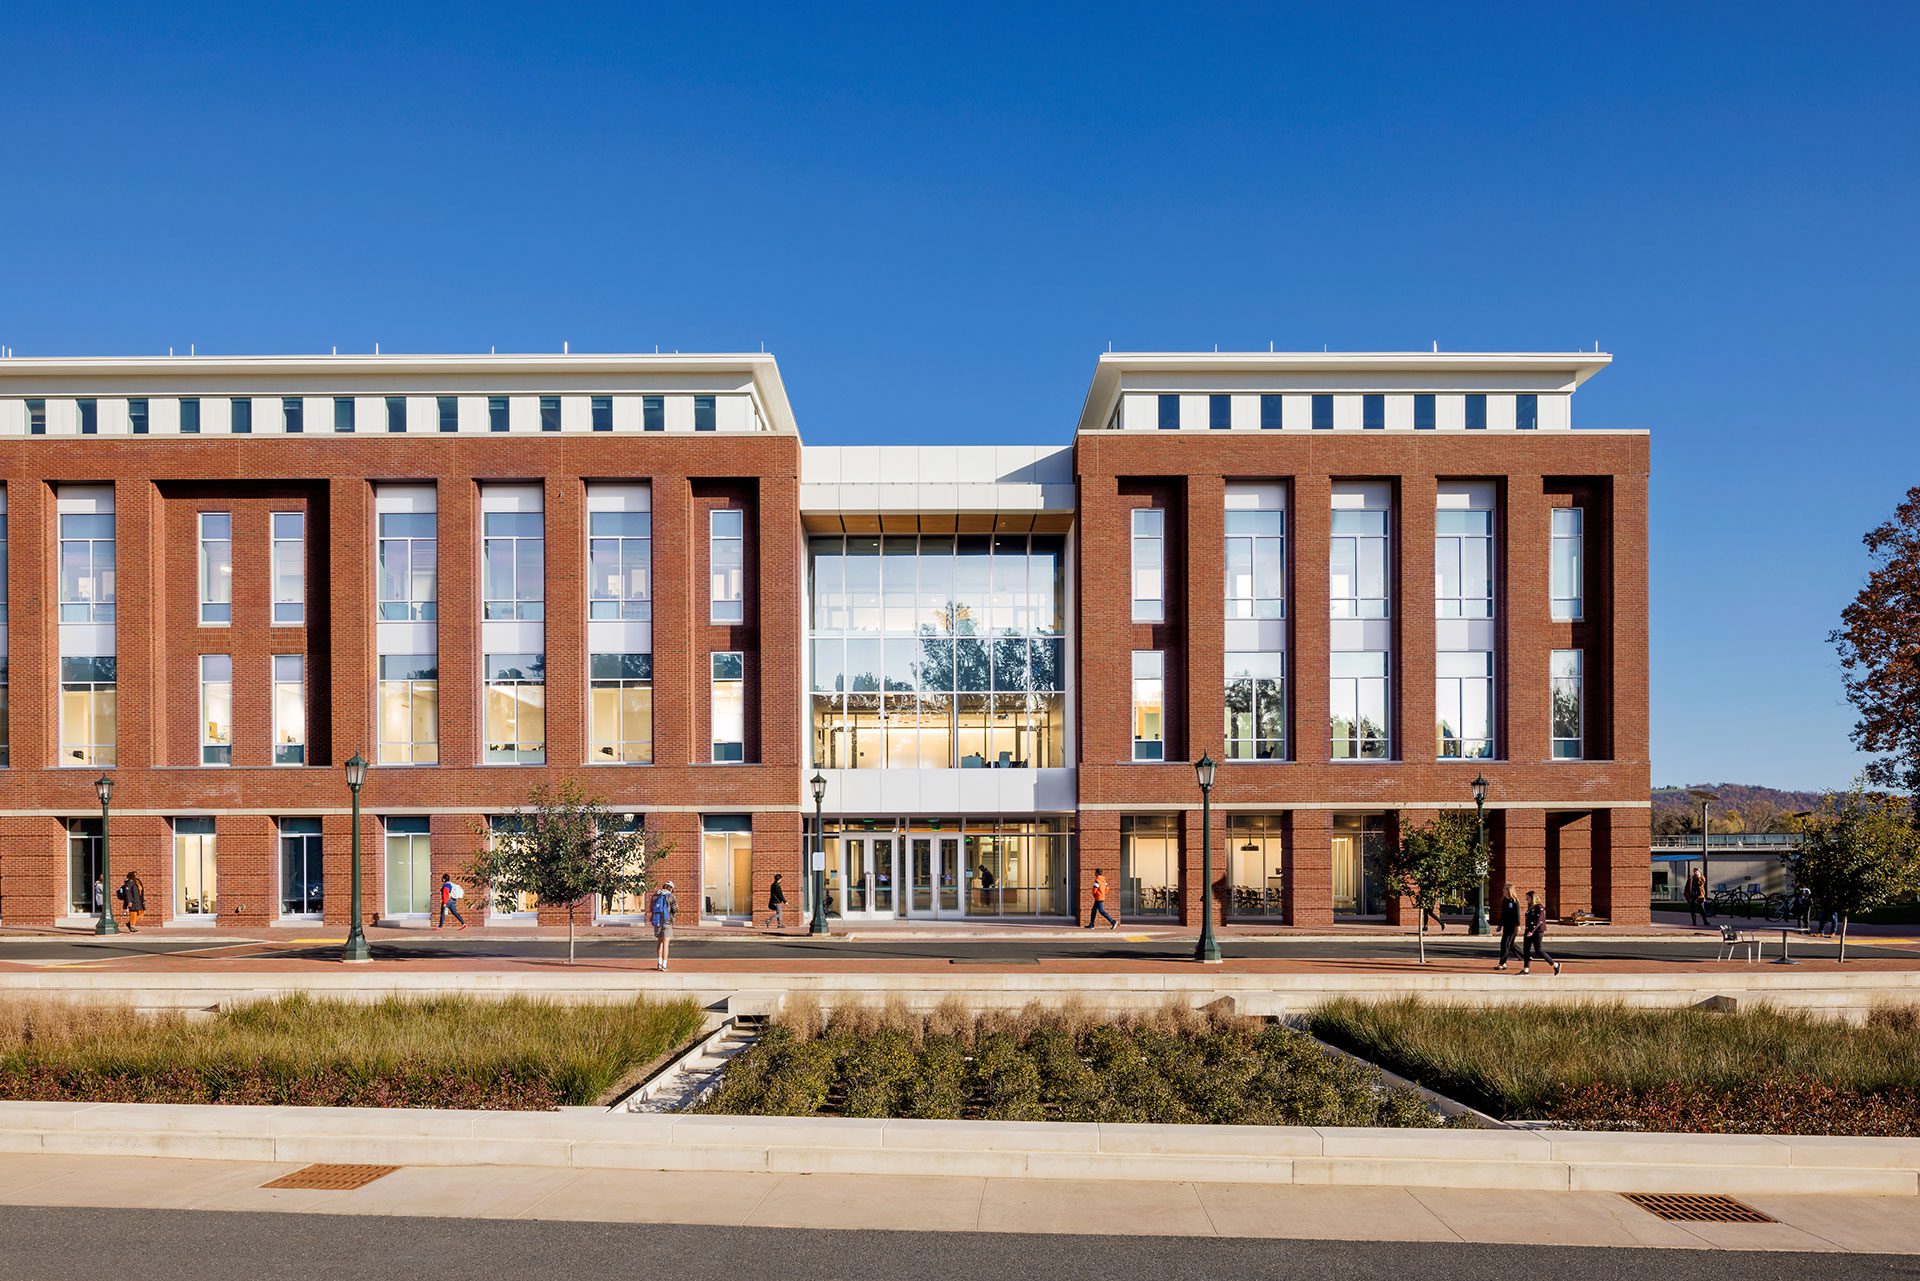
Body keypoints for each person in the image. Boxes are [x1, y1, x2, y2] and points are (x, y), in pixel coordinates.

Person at [1521, 890, 1561, 976]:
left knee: (1538, 951)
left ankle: (1555, 964)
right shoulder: (1530, 907)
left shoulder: (1540, 907)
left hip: (1537, 931)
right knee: (1526, 950)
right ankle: (1526, 969)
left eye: (1528, 898)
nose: (1526, 900)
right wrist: (1528, 930)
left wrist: (1532, 931)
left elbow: (1539, 921)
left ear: (1533, 898)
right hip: (1528, 930)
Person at [1494, 883, 1522, 970]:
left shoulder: (1514, 901)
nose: (1503, 891)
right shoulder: (1504, 900)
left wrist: (1518, 925)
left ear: (1509, 891)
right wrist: (1500, 925)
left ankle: (1502, 963)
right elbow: (1503, 914)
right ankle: (1524, 956)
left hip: (1513, 926)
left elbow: (1517, 914)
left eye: (1504, 889)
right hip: (1506, 925)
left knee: (1505, 944)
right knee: (1510, 944)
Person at [650, 879, 677, 971]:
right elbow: (675, 909)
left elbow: (651, 908)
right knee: (666, 944)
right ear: (671, 888)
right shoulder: (671, 896)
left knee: (659, 942)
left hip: (657, 921)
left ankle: (659, 963)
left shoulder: (655, 896)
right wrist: (673, 918)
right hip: (667, 922)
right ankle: (664, 965)